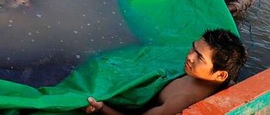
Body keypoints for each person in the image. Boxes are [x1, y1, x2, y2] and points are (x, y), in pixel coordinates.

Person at [85, 29, 247, 115]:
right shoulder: (209, 77)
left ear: (220, 75)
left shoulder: (180, 103)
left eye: (199, 57)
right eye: (193, 47)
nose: (189, 56)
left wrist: (102, 108)